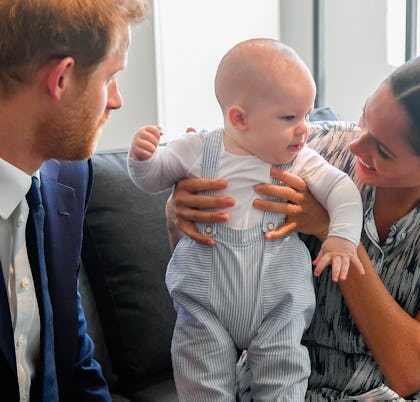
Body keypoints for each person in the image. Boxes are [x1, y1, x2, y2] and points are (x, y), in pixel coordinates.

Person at [168, 48, 420, 400]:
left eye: (384, 151)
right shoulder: (306, 149)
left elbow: (411, 370)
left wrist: (334, 230)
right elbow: (211, 276)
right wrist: (182, 214)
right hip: (300, 364)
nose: (356, 146)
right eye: (365, 118)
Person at [128, 38, 364, 400]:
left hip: (278, 300)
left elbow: (342, 189)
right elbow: (153, 179)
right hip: (204, 301)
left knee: (284, 373)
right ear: (239, 118)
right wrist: (143, 160)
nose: (304, 129)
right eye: (289, 117)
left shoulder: (299, 159)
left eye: (306, 114)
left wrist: (342, 237)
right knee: (200, 377)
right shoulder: (197, 148)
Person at [0, 1, 149, 400]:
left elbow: (74, 356)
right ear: (61, 78)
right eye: (110, 77)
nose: (115, 100)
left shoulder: (67, 175)